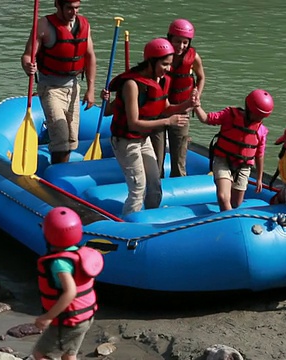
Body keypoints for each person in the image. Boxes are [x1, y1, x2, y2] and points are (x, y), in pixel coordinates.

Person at [100, 38, 197, 217]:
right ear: (151, 62)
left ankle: (149, 218)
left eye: (169, 64)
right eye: (164, 64)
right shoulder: (132, 85)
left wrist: (187, 104)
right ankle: (129, 226)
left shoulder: (162, 80)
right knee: (138, 188)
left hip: (143, 139)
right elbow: (133, 123)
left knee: (154, 185)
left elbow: (166, 107)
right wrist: (168, 122)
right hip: (125, 141)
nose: (168, 69)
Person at [21, 0, 97, 164]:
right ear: (58, 5)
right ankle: (57, 175)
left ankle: (59, 164)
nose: (74, 12)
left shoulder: (84, 24)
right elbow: (28, 55)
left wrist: (91, 89)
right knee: (62, 140)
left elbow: (90, 56)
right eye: (69, 8)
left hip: (74, 86)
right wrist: (28, 65)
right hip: (50, 88)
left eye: (76, 8)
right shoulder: (44, 25)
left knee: (70, 140)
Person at [33, 206, 104, 360]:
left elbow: (70, 291)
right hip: (85, 317)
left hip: (68, 321)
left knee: (40, 354)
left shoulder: (59, 263)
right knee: (69, 354)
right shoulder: (78, 254)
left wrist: (48, 317)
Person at [193, 89, 273, 211]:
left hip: (243, 166)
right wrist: (197, 106)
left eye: (262, 117)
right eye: (257, 115)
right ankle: (229, 222)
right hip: (223, 160)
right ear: (249, 109)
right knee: (223, 197)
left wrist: (259, 178)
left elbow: (259, 155)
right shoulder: (229, 115)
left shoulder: (261, 131)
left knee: (235, 203)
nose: (259, 119)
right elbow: (206, 119)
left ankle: (230, 193)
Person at [150, 19, 206, 178]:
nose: (181, 46)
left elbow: (201, 77)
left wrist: (196, 97)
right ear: (169, 39)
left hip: (182, 111)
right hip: (158, 111)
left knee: (179, 158)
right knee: (156, 157)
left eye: (185, 42)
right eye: (177, 41)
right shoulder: (158, 54)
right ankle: (155, 187)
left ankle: (177, 187)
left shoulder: (193, 58)